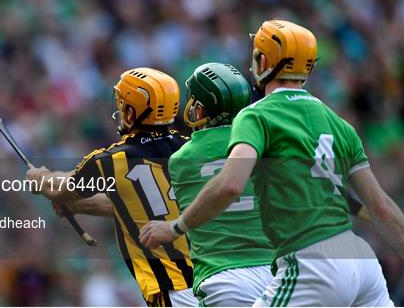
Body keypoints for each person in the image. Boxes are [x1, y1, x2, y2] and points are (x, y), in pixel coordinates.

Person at [139, 20, 404, 306]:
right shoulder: (338, 122)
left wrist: (175, 228)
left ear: (262, 61)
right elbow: (381, 208)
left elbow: (230, 185)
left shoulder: (255, 116)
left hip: (313, 260)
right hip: (360, 258)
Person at [26, 68, 197, 307]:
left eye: (122, 103)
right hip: (208, 280)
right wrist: (80, 207)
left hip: (173, 290)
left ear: (130, 111)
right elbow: (134, 204)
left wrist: (40, 177)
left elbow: (61, 190)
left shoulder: (110, 160)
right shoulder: (190, 147)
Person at [168, 62, 274, 306]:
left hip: (222, 277)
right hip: (276, 272)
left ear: (202, 109)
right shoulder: (266, 143)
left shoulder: (181, 159)